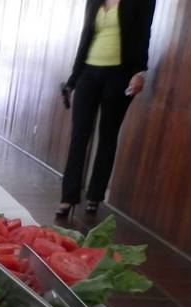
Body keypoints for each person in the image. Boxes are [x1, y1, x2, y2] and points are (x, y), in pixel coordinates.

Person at [57, 0, 156, 219]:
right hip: (88, 73)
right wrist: (73, 80)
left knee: (108, 136)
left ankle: (95, 195)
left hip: (119, 75)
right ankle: (68, 197)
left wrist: (140, 72)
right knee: (79, 135)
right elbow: (86, 37)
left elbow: (143, 35)